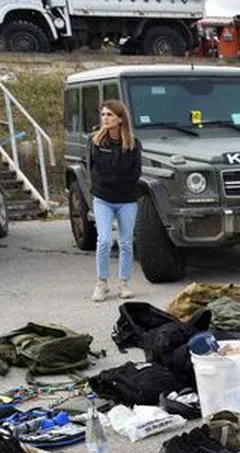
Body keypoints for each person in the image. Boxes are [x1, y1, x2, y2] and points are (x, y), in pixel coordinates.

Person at [89, 100, 141, 302]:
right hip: (103, 199)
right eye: (103, 115)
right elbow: (93, 169)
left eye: (109, 115)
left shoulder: (133, 144)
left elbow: (135, 173)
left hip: (127, 199)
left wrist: (118, 180)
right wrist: (105, 183)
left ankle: (124, 283)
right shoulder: (95, 142)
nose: (105, 118)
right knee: (104, 240)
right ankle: (102, 283)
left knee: (126, 242)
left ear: (120, 119)